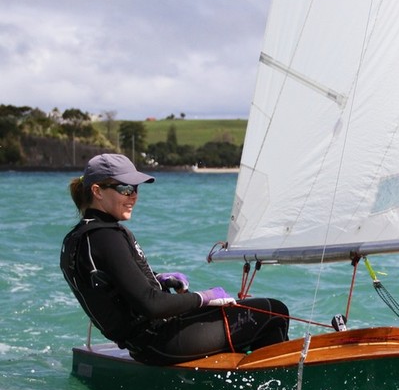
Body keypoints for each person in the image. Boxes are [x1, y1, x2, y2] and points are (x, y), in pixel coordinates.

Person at [60, 153, 290, 365]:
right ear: (97, 191)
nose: (133, 196)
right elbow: (151, 304)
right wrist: (203, 297)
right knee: (273, 312)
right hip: (160, 340)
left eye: (136, 189)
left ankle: (245, 383)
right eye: (125, 188)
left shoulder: (79, 237)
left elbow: (112, 289)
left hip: (147, 340)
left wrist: (158, 281)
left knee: (259, 315)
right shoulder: (104, 237)